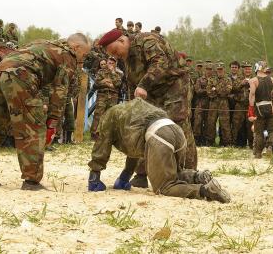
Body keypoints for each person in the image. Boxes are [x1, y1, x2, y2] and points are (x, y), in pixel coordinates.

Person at [0, 34, 90, 190]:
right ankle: (31, 180)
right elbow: (60, 91)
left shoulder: (43, 42)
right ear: (76, 47)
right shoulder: (67, 55)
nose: (81, 60)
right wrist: (53, 121)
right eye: (83, 54)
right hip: (20, 75)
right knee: (32, 127)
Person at [97, 28, 198, 188]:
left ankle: (188, 173)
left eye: (115, 51)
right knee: (145, 126)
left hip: (174, 84)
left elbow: (160, 63)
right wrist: (135, 108)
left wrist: (143, 85)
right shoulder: (126, 57)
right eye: (112, 55)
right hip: (151, 90)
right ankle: (142, 173)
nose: (115, 57)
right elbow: (132, 82)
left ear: (122, 41)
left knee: (177, 125)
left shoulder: (147, 40)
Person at [87, 98, 230, 203]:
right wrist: (124, 178)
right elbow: (134, 150)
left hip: (158, 135)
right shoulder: (129, 112)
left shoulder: (108, 118)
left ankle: (205, 191)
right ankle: (197, 176)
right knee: (174, 174)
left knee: (165, 187)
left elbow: (102, 146)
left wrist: (94, 176)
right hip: (175, 130)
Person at [248, 61, 273, 158]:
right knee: (272, 130)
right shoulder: (272, 79)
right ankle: (269, 146)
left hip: (259, 108)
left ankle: (258, 153)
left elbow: (252, 95)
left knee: (258, 131)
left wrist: (251, 112)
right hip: (271, 106)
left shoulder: (253, 80)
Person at [90, 56, 123, 139]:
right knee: (98, 114)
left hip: (113, 96)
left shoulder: (119, 73)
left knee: (110, 115)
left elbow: (118, 84)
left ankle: (108, 134)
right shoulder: (101, 71)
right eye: (109, 62)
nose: (111, 64)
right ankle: (94, 134)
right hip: (102, 95)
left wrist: (112, 73)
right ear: (107, 63)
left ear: (115, 64)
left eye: (113, 63)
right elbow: (97, 84)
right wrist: (107, 83)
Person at [206, 63, 232, 146]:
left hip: (223, 103)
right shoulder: (211, 79)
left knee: (225, 124)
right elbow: (209, 92)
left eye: (221, 69)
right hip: (213, 103)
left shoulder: (228, 79)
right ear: (216, 70)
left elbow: (227, 92)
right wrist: (219, 91)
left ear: (224, 70)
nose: (220, 71)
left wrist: (215, 89)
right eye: (218, 69)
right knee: (211, 123)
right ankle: (210, 142)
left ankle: (226, 143)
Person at [231, 61, 253, 147]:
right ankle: (234, 143)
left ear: (251, 70)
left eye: (249, 69)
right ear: (243, 70)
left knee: (250, 124)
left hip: (250, 105)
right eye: (246, 69)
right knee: (236, 124)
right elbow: (232, 89)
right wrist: (241, 84)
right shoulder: (238, 78)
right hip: (239, 105)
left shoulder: (255, 79)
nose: (247, 70)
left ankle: (251, 144)